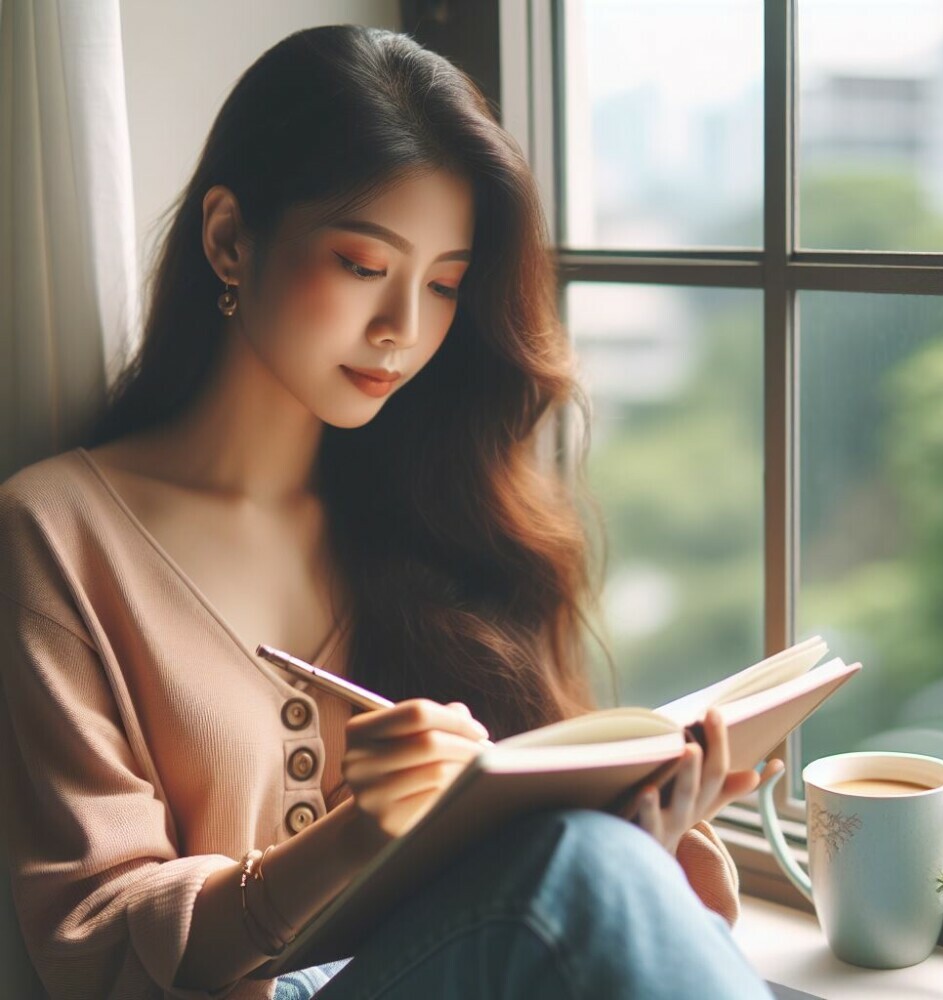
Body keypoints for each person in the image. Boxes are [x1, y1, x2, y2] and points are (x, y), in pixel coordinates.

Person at [0, 25, 777, 1000]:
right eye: (365, 266)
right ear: (230, 237)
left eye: (445, 283)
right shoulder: (58, 532)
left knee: (592, 859)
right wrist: (358, 833)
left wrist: (647, 837)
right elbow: (93, 947)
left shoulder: (435, 516)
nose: (403, 329)